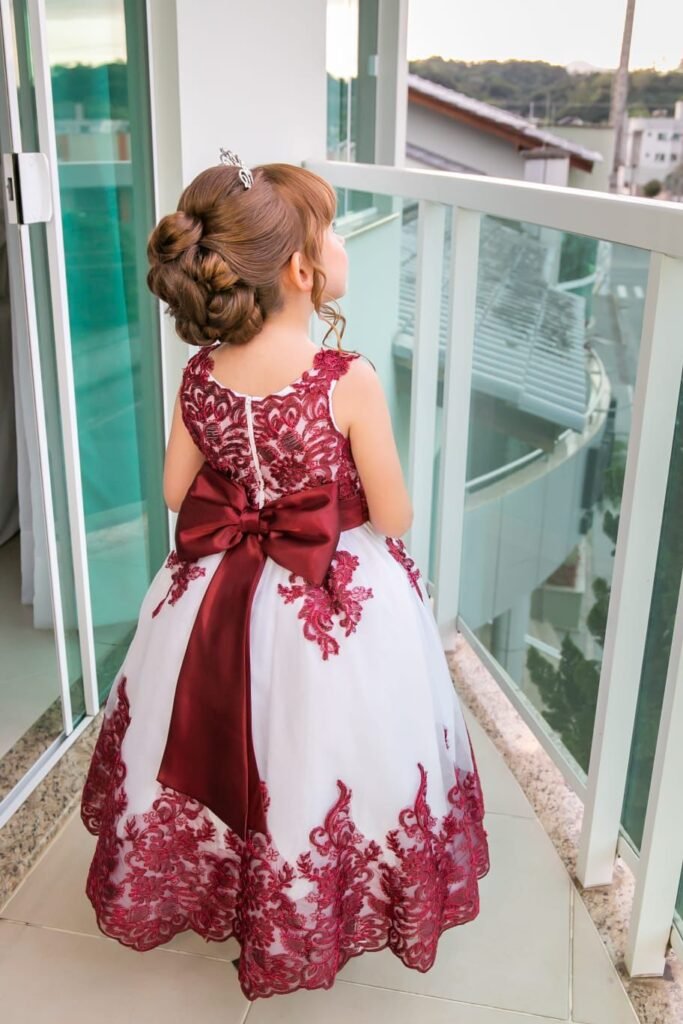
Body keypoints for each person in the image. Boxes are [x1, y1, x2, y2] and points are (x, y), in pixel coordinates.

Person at [80, 150, 490, 1002]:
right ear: (301, 270)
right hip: (329, 590)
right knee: (317, 747)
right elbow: (393, 515)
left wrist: (245, 494)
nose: (340, 245)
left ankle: (228, 872)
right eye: (331, 231)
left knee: (230, 727)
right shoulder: (347, 379)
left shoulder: (200, 373)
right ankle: (302, 897)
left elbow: (174, 493)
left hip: (213, 587)